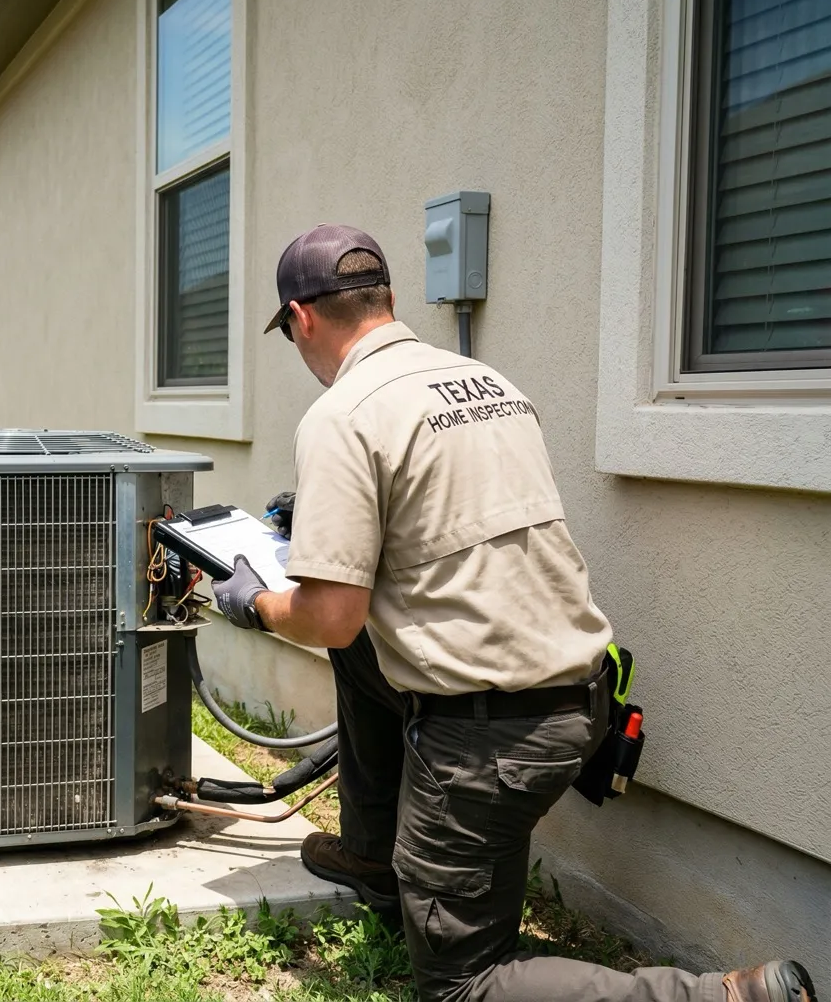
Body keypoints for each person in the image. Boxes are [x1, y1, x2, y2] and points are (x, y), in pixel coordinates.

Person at [210, 224, 817, 1002]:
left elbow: (329, 616)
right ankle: (375, 856)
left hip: (491, 740)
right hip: (582, 696)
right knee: (362, 656)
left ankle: (724, 996)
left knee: (465, 985)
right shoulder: (488, 383)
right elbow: (450, 536)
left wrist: (254, 604)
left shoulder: (341, 416)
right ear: (390, 301)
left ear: (299, 319)